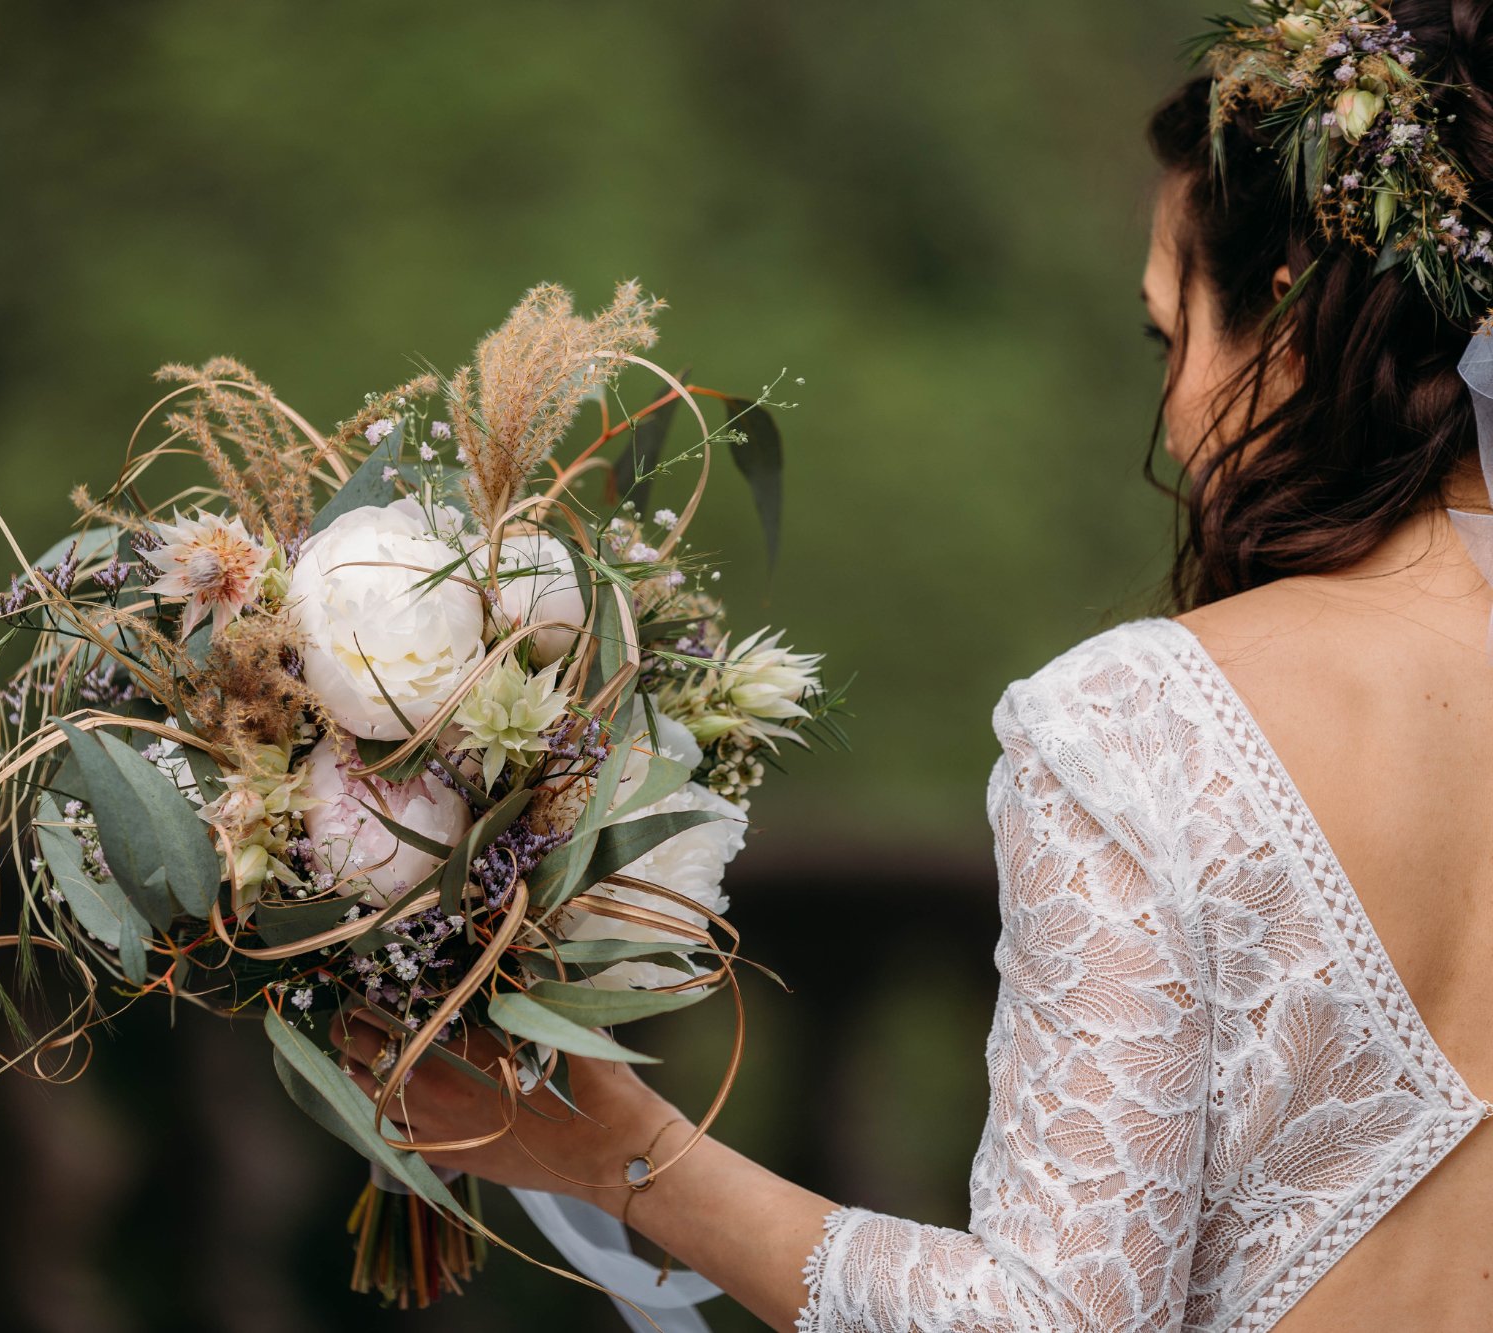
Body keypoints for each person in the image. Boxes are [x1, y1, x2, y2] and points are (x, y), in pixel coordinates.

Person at [333, 4, 1493, 1328]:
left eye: (1169, 337)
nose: (1173, 415)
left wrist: (622, 1155)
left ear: (1284, 329)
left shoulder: (1143, 723)